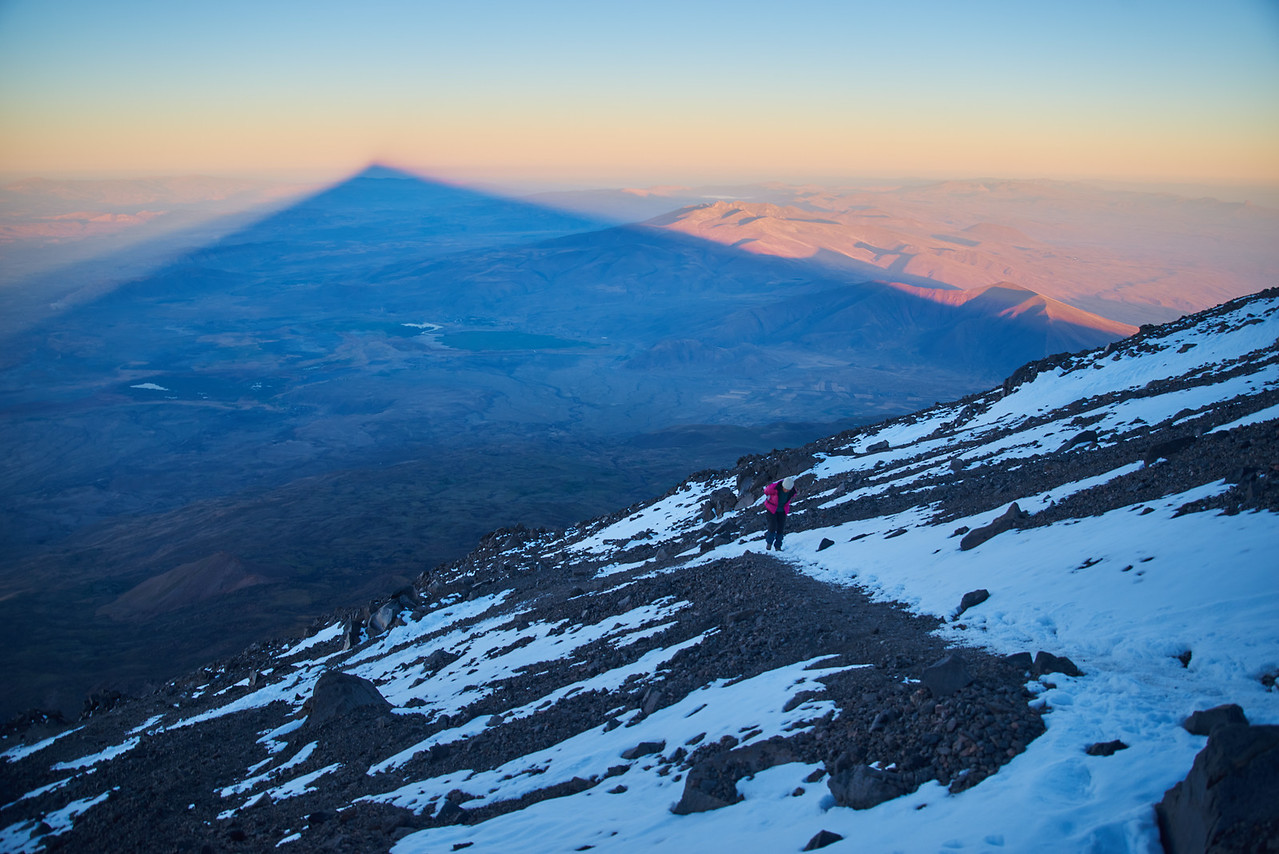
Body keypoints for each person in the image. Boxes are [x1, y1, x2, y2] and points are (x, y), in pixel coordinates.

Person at [763, 476, 797, 551]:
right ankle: (769, 543)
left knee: (780, 528)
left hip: (782, 510)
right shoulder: (774, 487)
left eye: (788, 489)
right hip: (771, 508)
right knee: (772, 526)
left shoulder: (792, 491)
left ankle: (778, 546)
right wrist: (770, 499)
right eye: (785, 489)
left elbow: (793, 495)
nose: (786, 490)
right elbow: (766, 491)